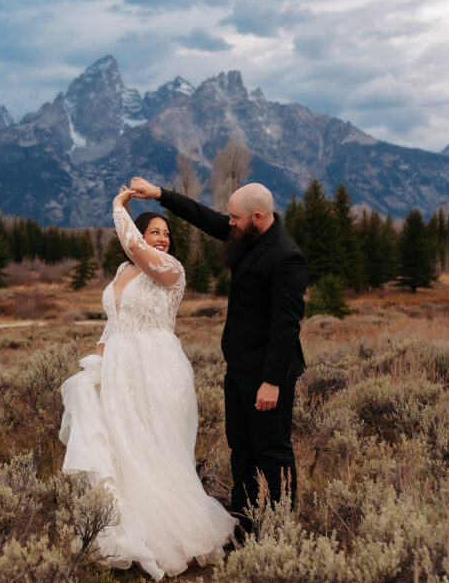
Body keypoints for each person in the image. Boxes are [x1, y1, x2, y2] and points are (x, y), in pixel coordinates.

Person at [59, 186, 235, 580]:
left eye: (166, 233)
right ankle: (126, 532)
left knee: (158, 447)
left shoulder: (169, 270)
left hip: (157, 367)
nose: (163, 238)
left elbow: (135, 248)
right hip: (121, 367)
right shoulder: (124, 271)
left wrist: (117, 206)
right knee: (125, 447)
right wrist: (99, 359)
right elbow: (113, 319)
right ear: (141, 233)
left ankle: (176, 537)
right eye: (155, 231)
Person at [128, 177, 306, 532]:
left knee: (272, 451)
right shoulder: (245, 237)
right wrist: (160, 194)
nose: (230, 223)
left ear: (257, 217)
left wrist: (271, 381)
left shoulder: (286, 256)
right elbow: (202, 216)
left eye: (236, 218)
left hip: (268, 375)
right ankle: (244, 523)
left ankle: (280, 530)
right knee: (240, 447)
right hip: (238, 368)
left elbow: (287, 326)